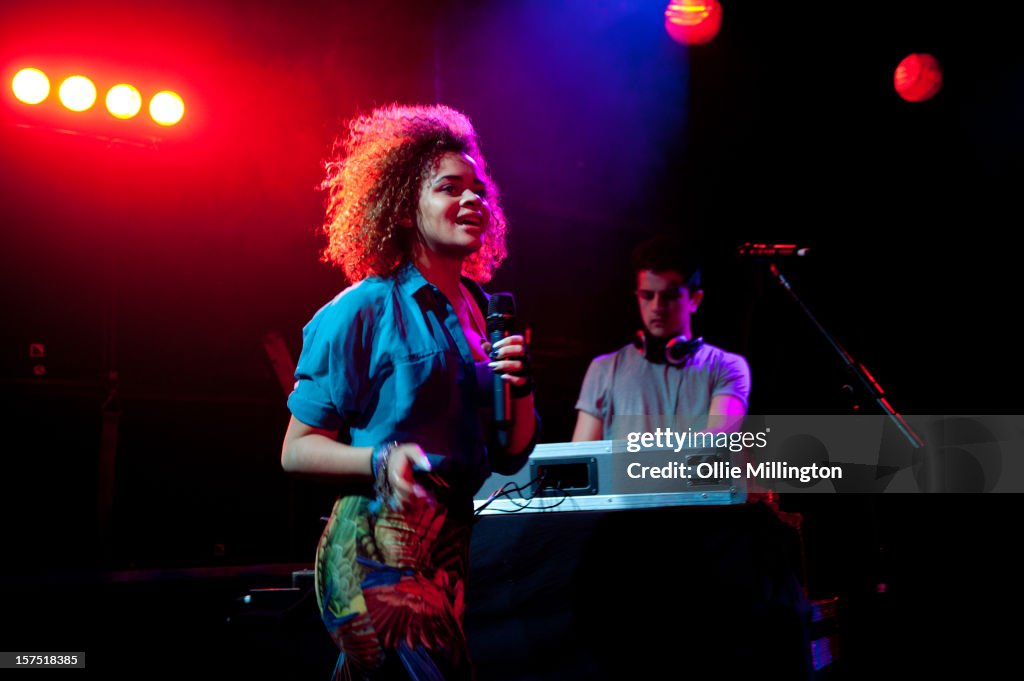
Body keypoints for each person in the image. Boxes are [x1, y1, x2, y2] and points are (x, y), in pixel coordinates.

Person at [281, 103, 537, 680]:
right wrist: (381, 458)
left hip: (448, 549)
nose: (473, 200)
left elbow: (511, 453)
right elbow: (296, 450)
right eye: (450, 188)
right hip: (373, 539)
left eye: (478, 190)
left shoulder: (480, 313)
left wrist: (519, 386)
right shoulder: (362, 309)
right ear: (402, 207)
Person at [572, 235, 750, 441]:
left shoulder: (727, 367)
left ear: (695, 299)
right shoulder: (603, 369)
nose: (657, 307)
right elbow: (582, 458)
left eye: (669, 296)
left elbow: (717, 444)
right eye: (647, 296)